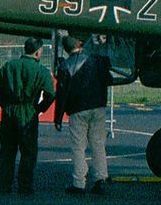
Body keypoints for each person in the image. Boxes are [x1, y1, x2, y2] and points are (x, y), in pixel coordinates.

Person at [53, 34, 129, 194]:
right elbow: (108, 79)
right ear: (80, 43)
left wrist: (58, 117)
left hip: (78, 110)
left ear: (66, 50)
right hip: (98, 106)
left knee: (78, 147)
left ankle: (79, 182)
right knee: (98, 144)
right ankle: (100, 177)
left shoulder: (65, 66)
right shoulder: (97, 60)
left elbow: (61, 94)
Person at [0, 38, 55, 195]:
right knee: (28, 151)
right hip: (28, 111)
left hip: (9, 112)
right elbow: (50, 94)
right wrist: (39, 109)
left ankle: (4, 185)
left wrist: (5, 106)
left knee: (7, 151)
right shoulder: (41, 70)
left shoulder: (8, 66)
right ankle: (25, 186)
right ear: (38, 51)